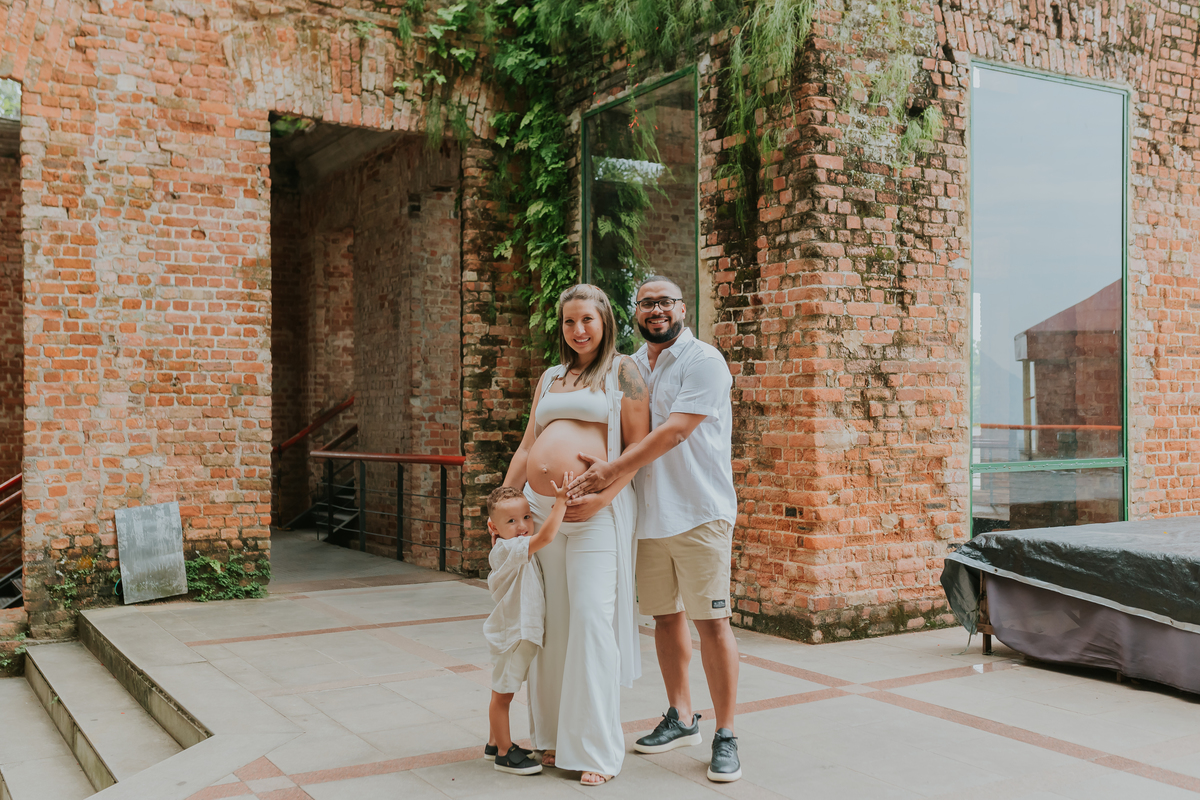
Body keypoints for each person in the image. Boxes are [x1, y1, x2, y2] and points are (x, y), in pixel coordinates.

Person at [567, 275, 742, 782]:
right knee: (666, 619)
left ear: (682, 307)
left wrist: (612, 470)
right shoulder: (631, 367)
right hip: (648, 515)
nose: (656, 310)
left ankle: (726, 732)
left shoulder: (704, 361)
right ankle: (681, 715)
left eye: (664, 302)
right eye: (646, 304)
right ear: (635, 311)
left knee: (712, 623)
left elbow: (676, 430)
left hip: (700, 513)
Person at [502, 284, 650, 786]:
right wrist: (506, 502)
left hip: (594, 514)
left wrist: (603, 497)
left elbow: (638, 449)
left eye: (586, 319)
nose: (578, 330)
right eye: (568, 322)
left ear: (605, 320)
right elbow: (527, 447)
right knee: (550, 624)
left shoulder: (624, 371)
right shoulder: (550, 376)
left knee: (590, 619)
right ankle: (550, 737)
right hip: (543, 514)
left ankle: (596, 750)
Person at [482, 477, 570, 776]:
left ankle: (495, 743)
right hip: (513, 635)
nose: (522, 526)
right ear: (493, 528)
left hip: (519, 633)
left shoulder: (513, 545)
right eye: (511, 521)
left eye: (527, 517)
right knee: (503, 693)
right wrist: (560, 503)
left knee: (504, 690)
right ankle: (505, 753)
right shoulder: (509, 549)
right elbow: (544, 538)